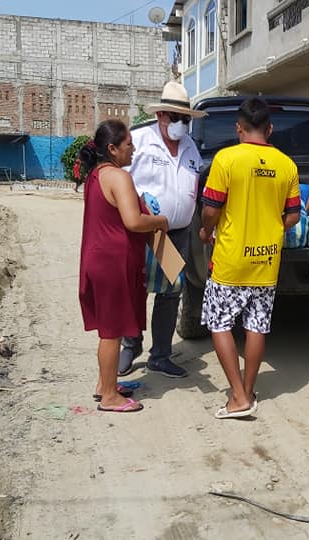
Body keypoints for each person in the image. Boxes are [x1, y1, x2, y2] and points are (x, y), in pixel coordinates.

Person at [199, 97, 301, 419]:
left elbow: (210, 210)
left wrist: (206, 231)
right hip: (266, 261)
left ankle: (238, 396)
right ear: (269, 129)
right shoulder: (287, 165)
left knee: (219, 323)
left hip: (231, 260)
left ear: (238, 128)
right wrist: (270, 228)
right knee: (257, 325)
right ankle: (248, 389)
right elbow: (293, 216)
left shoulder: (226, 159)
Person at [78, 120, 170, 413]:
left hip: (99, 259)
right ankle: (109, 397)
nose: (133, 149)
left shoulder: (96, 175)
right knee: (112, 331)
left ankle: (104, 385)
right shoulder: (119, 177)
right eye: (129, 144)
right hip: (113, 264)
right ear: (112, 148)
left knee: (109, 329)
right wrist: (160, 221)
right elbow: (133, 221)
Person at [118, 81, 207, 379]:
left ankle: (160, 355)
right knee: (135, 289)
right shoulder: (139, 141)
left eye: (186, 119)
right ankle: (130, 345)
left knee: (170, 292)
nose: (182, 124)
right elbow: (120, 182)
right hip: (144, 233)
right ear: (160, 115)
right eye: (176, 117)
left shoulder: (191, 147)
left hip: (178, 233)